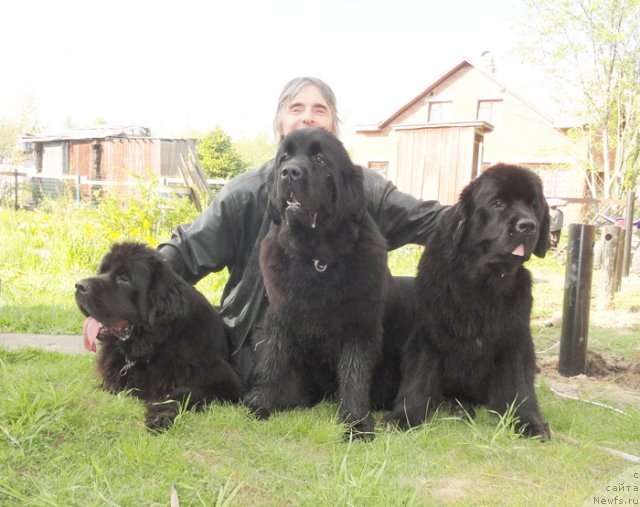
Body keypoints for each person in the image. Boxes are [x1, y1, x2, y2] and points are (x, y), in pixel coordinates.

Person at [156, 76, 446, 382]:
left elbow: (426, 219)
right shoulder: (246, 192)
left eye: (319, 109)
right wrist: (120, 290)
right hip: (260, 341)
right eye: (296, 108)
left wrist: (495, 223)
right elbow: (186, 250)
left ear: (333, 125)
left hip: (342, 342)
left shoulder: (362, 188)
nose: (307, 115)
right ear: (280, 123)